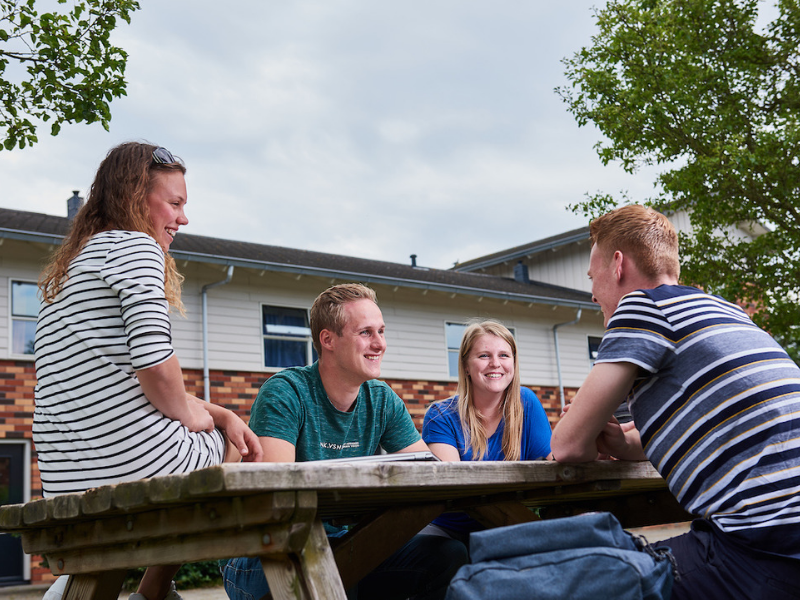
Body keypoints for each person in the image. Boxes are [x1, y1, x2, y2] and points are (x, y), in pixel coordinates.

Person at [33, 142, 262, 600]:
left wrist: (215, 411)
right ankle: (154, 590)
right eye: (174, 203)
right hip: (129, 462)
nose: (183, 217)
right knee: (236, 447)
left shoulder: (72, 271)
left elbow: (128, 384)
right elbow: (155, 365)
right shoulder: (137, 247)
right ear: (137, 198)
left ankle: (95, 588)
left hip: (63, 478)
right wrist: (203, 417)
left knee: (222, 426)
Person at [550, 205, 800, 599]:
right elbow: (724, 422)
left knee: (573, 583)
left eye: (592, 276)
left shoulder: (642, 306)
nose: (593, 291)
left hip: (763, 545)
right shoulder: (727, 312)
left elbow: (567, 446)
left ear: (618, 265)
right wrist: (627, 444)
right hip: (784, 532)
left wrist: (585, 431)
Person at [222, 283, 468, 600]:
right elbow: (272, 495)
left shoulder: (381, 400)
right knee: (328, 565)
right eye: (366, 332)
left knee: (445, 554)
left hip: (345, 546)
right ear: (328, 340)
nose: (380, 344)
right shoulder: (286, 392)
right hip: (265, 552)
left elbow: (428, 476)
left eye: (382, 331)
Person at [422, 319, 551, 544]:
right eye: (484, 356)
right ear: (465, 365)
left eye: (504, 355)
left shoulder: (526, 403)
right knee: (447, 554)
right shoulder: (440, 415)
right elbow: (451, 486)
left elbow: (552, 468)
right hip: (448, 532)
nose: (495, 363)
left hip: (508, 525)